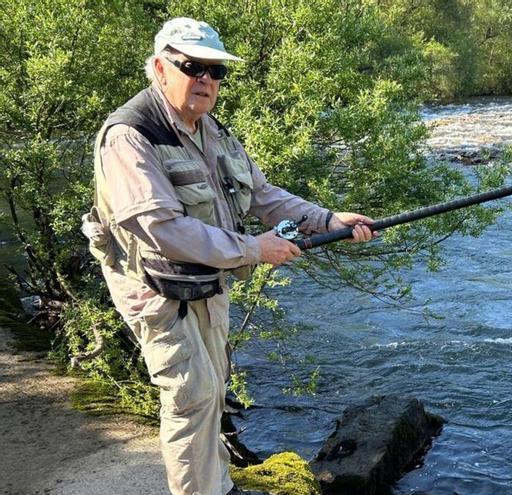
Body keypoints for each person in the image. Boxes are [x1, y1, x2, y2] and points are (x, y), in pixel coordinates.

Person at [83, 17, 376, 495]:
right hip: (155, 289)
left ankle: (218, 484)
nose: (206, 79)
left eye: (216, 71)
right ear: (160, 68)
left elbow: (261, 194)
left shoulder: (211, 129)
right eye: (193, 66)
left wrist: (327, 221)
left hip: (205, 280)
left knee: (214, 389)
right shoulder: (130, 135)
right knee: (189, 399)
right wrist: (253, 249)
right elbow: (163, 231)